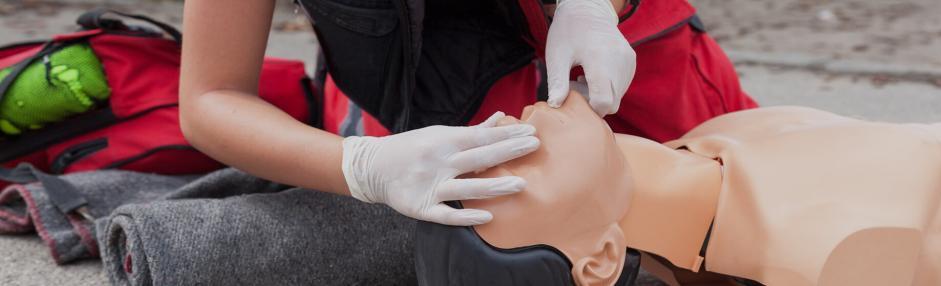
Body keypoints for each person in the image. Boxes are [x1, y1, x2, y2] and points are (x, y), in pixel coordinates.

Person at [179, 0, 756, 226]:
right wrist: (360, 164)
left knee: (734, 199)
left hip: (628, 60)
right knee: (506, 219)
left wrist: (592, 7)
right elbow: (210, 98)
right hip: (411, 94)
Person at [419, 90, 941, 285]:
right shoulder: (820, 252)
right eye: (506, 180)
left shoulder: (711, 145)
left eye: (472, 155)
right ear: (601, 259)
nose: (498, 134)